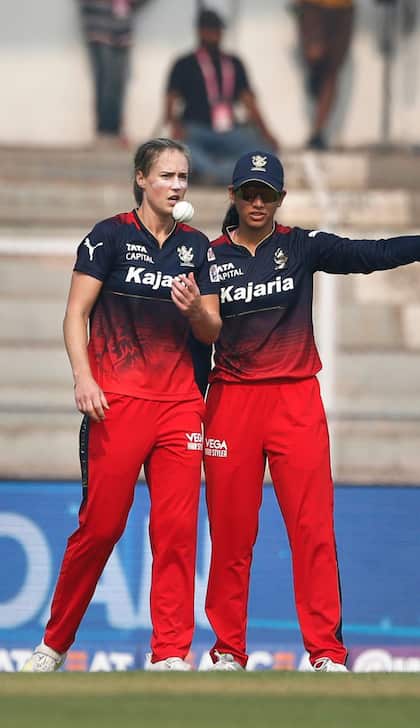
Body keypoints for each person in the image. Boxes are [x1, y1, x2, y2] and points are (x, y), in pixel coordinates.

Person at [203, 150, 420, 671]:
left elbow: (370, 253)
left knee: (312, 530)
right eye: (249, 193)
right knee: (230, 535)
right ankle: (228, 650)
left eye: (267, 194)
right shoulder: (206, 256)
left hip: (295, 399)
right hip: (231, 401)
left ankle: (325, 651)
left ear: (280, 198)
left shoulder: (300, 245)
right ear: (233, 196)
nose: (258, 202)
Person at [22, 138, 221, 673]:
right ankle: (53, 645)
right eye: (166, 176)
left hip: (180, 406)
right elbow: (75, 314)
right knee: (102, 528)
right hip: (116, 402)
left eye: (182, 176)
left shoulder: (197, 247)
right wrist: (83, 378)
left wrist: (193, 310)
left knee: (176, 531)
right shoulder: (107, 237)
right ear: (141, 179)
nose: (176, 186)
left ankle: (170, 653)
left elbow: (211, 329)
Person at [165, 8, 279, 185]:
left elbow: (249, 101)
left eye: (218, 30)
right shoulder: (184, 63)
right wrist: (175, 125)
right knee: (180, 151)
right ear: (200, 31)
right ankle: (226, 172)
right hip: (196, 129)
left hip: (229, 131)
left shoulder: (234, 62)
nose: (215, 34)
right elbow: (170, 99)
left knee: (263, 153)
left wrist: (267, 133)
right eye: (210, 30)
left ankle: (213, 172)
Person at [78, 0, 149, 144]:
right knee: (106, 82)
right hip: (99, 26)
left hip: (122, 31)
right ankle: (106, 132)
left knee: (117, 83)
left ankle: (114, 131)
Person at [294, 0, 355, 150]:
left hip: (343, 7)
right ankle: (315, 75)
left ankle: (318, 132)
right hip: (312, 5)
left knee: (332, 72)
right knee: (315, 54)